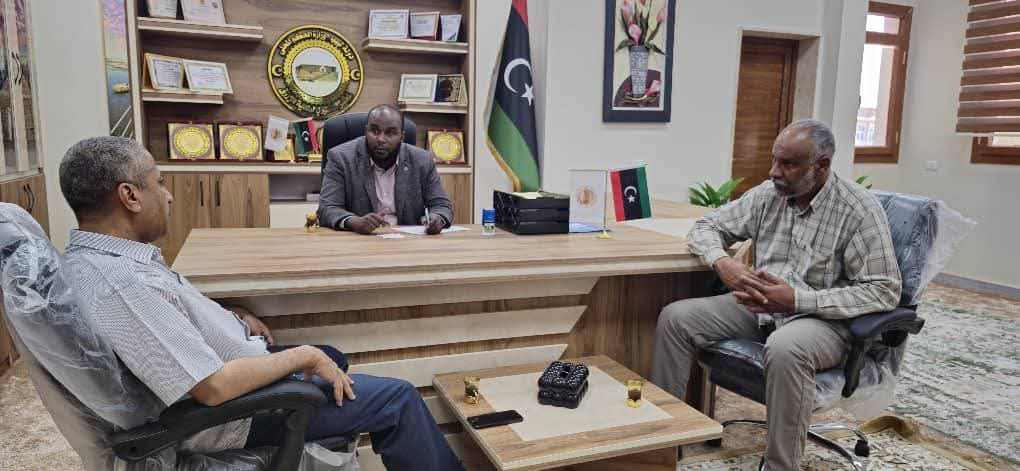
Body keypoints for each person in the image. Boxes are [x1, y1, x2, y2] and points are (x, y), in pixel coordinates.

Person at [59, 136, 464, 471]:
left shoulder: (104, 259)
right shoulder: (121, 285)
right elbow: (213, 387)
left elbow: (167, 322)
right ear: (130, 196)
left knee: (333, 357)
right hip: (233, 415)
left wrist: (228, 316)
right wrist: (302, 356)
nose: (168, 196)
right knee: (398, 398)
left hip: (232, 381)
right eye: (159, 183)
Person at [651, 120, 901, 471]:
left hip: (823, 320)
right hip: (761, 307)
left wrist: (797, 300)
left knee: (786, 347)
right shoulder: (768, 194)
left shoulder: (858, 210)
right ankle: (662, 447)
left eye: (788, 164)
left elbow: (884, 290)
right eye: (774, 160)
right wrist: (723, 262)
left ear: (821, 166)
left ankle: (781, 466)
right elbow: (706, 226)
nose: (774, 172)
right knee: (677, 318)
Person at [318, 104, 453, 235]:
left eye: (390, 133)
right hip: (360, 242)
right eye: (374, 131)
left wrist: (437, 218)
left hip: (408, 242)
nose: (381, 139)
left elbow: (441, 205)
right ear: (366, 131)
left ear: (402, 136)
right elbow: (327, 208)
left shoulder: (422, 160)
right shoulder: (341, 158)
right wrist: (354, 222)